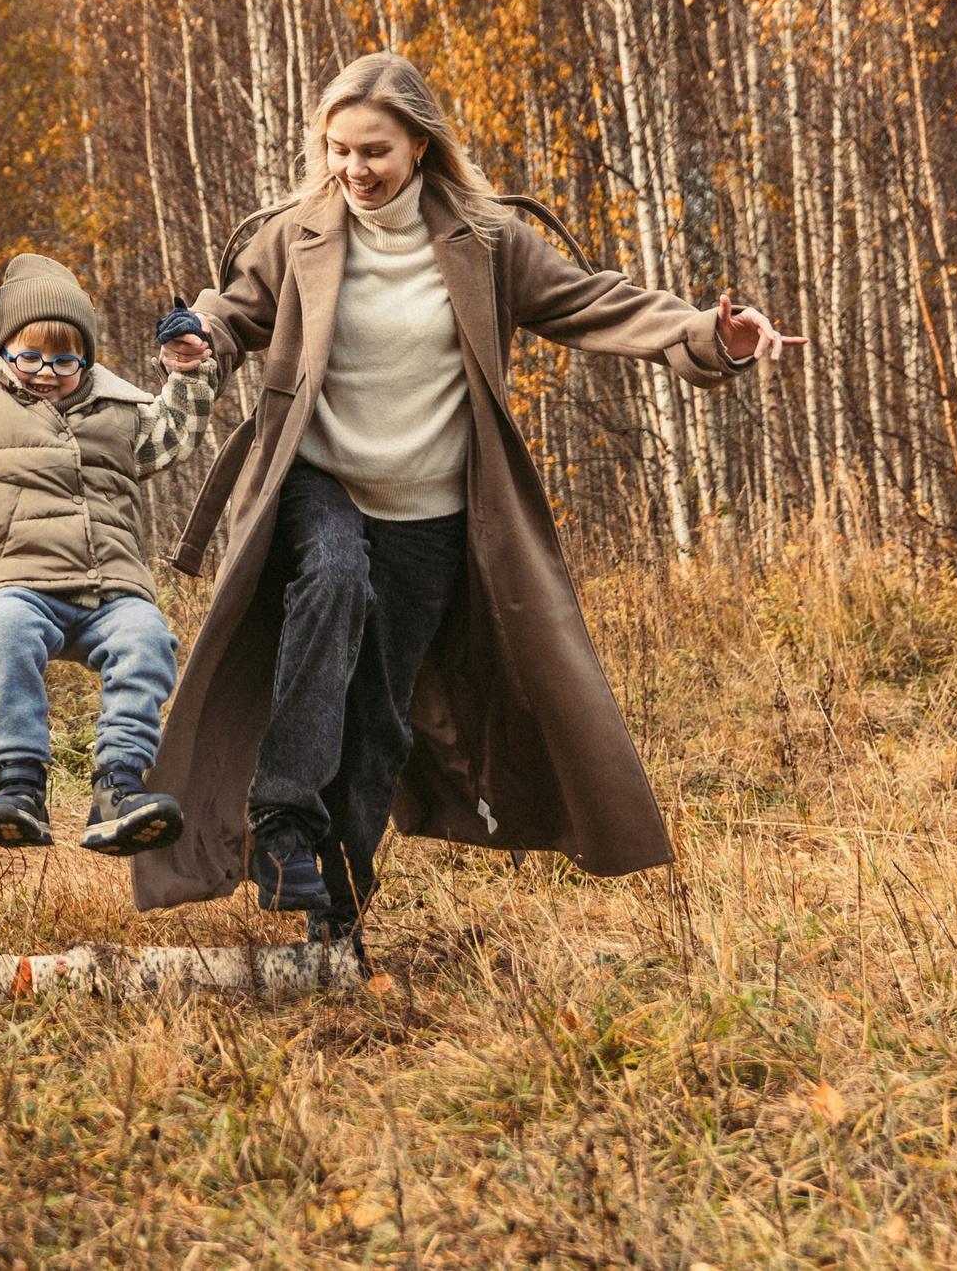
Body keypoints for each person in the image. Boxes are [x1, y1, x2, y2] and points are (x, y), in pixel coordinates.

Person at [131, 52, 803, 959]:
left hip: (430, 512)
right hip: (318, 481)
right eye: (338, 150)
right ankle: (282, 819)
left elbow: (592, 304)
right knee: (332, 577)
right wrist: (197, 337)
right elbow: (233, 313)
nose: (354, 169)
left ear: (420, 144)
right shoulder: (296, 236)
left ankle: (335, 923)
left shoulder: (487, 242)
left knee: (378, 723)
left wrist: (708, 334)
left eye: (374, 151)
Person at [0, 240, 217, 853]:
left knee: (148, 639)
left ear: (86, 359)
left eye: (65, 360)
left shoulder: (120, 412)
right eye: (29, 356)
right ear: (2, 353)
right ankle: (19, 782)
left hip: (108, 589)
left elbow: (176, 437)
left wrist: (188, 372)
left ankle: (119, 784)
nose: (47, 373)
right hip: (15, 583)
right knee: (6, 630)